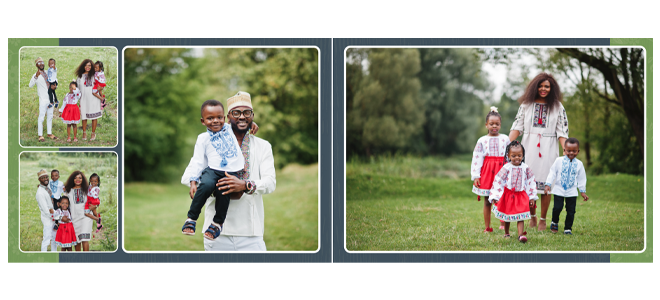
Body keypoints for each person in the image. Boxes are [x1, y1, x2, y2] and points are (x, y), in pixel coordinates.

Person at [182, 91, 275, 251]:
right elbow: (188, 176)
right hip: (216, 236)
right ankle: (199, 220)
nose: (241, 117)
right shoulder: (210, 141)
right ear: (228, 116)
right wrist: (216, 186)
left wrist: (244, 185)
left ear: (253, 115)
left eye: (247, 113)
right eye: (236, 113)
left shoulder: (262, 145)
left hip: (251, 232)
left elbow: (270, 183)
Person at [509, 72, 569, 231]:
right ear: (535, 87)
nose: (543, 89)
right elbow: (517, 127)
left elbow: (562, 132)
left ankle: (543, 219)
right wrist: (507, 145)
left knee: (546, 185)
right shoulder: (526, 105)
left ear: (552, 88)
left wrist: (566, 150)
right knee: (528, 185)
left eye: (547, 86)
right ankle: (532, 216)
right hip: (528, 148)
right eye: (540, 86)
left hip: (549, 148)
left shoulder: (558, 107)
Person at [181, 99, 245, 240]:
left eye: (219, 117)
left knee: (224, 191)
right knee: (206, 185)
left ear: (225, 118)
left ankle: (217, 223)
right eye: (210, 118)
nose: (215, 121)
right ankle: (191, 219)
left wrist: (253, 124)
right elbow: (198, 160)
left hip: (231, 171)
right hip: (212, 170)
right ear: (203, 121)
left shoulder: (230, 129)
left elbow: (243, 124)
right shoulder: (203, 138)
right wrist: (193, 181)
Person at [489, 141, 538, 243]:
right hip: (508, 195)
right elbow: (498, 180)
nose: (517, 158)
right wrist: (495, 195)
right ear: (508, 156)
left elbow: (531, 182)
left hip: (521, 195)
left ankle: (520, 235)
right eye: (513, 155)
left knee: (521, 215)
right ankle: (507, 233)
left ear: (523, 155)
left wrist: (532, 197)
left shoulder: (526, 168)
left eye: (519, 155)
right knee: (507, 215)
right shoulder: (506, 167)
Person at [471, 106, 508, 232]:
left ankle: (503, 224)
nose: (494, 126)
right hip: (487, 172)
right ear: (486, 125)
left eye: (497, 124)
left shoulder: (505, 139)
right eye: (491, 124)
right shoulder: (482, 140)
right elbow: (477, 158)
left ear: (500, 125)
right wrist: (476, 175)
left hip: (501, 171)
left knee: (502, 197)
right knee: (487, 200)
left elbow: (509, 156)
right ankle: (487, 227)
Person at [544, 137, 589, 234]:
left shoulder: (579, 164)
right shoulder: (558, 161)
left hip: (572, 191)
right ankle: (554, 222)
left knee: (571, 211)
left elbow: (582, 178)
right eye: (569, 151)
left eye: (574, 151)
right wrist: (548, 184)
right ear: (564, 150)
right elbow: (552, 173)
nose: (571, 153)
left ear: (578, 151)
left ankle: (568, 228)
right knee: (557, 208)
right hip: (559, 189)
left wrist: (582, 191)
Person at [28, 57, 57, 142]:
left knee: (50, 116)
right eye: (39, 63)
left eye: (42, 62)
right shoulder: (35, 75)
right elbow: (30, 85)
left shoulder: (49, 72)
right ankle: (40, 135)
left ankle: (49, 133)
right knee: (41, 117)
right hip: (43, 99)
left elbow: (55, 80)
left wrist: (55, 86)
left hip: (51, 98)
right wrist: (35, 77)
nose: (41, 64)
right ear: (36, 65)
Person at [63, 170, 93, 251]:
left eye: (80, 178)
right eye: (75, 178)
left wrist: (94, 207)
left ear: (83, 179)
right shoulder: (68, 191)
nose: (78, 179)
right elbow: (62, 202)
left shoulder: (87, 190)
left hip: (86, 217)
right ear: (72, 179)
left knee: (84, 239)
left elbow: (95, 199)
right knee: (77, 241)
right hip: (74, 218)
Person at [75, 59, 102, 141]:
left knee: (94, 116)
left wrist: (100, 93)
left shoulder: (95, 75)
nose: (87, 67)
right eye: (86, 65)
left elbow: (101, 84)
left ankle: (93, 134)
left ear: (92, 66)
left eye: (89, 65)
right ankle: (84, 133)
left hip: (94, 99)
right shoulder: (80, 77)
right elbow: (77, 90)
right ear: (83, 66)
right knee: (84, 116)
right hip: (84, 99)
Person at [36, 169, 57, 252]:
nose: (45, 179)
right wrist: (59, 217)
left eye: (46, 177)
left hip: (54, 217)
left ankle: (53, 255)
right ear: (39, 179)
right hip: (47, 219)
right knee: (47, 239)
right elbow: (46, 211)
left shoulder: (47, 187)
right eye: (43, 178)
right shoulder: (40, 193)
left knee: (54, 239)